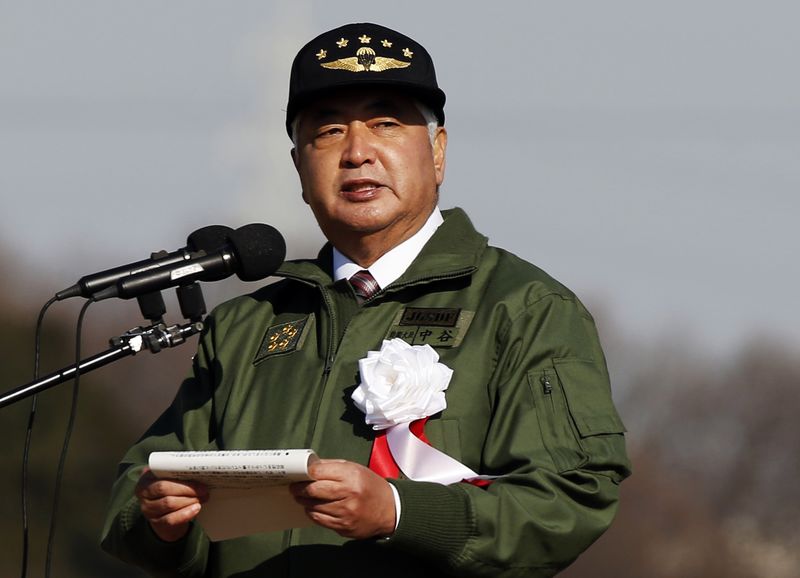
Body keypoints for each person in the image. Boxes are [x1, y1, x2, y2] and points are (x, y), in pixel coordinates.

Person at [101, 22, 631, 577]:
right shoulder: (247, 324)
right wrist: (159, 518)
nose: (357, 152)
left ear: (438, 151)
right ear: (299, 169)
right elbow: (135, 493)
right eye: (328, 131)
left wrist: (398, 512)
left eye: (385, 124)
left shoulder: (524, 309)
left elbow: (571, 501)